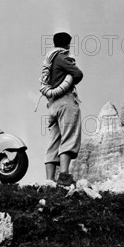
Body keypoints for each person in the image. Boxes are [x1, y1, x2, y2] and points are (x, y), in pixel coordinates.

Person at [42, 32, 83, 186]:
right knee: (68, 136)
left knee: (54, 141)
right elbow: (78, 74)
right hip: (65, 102)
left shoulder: (50, 60)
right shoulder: (62, 58)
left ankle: (49, 181)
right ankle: (64, 175)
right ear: (67, 44)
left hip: (52, 105)